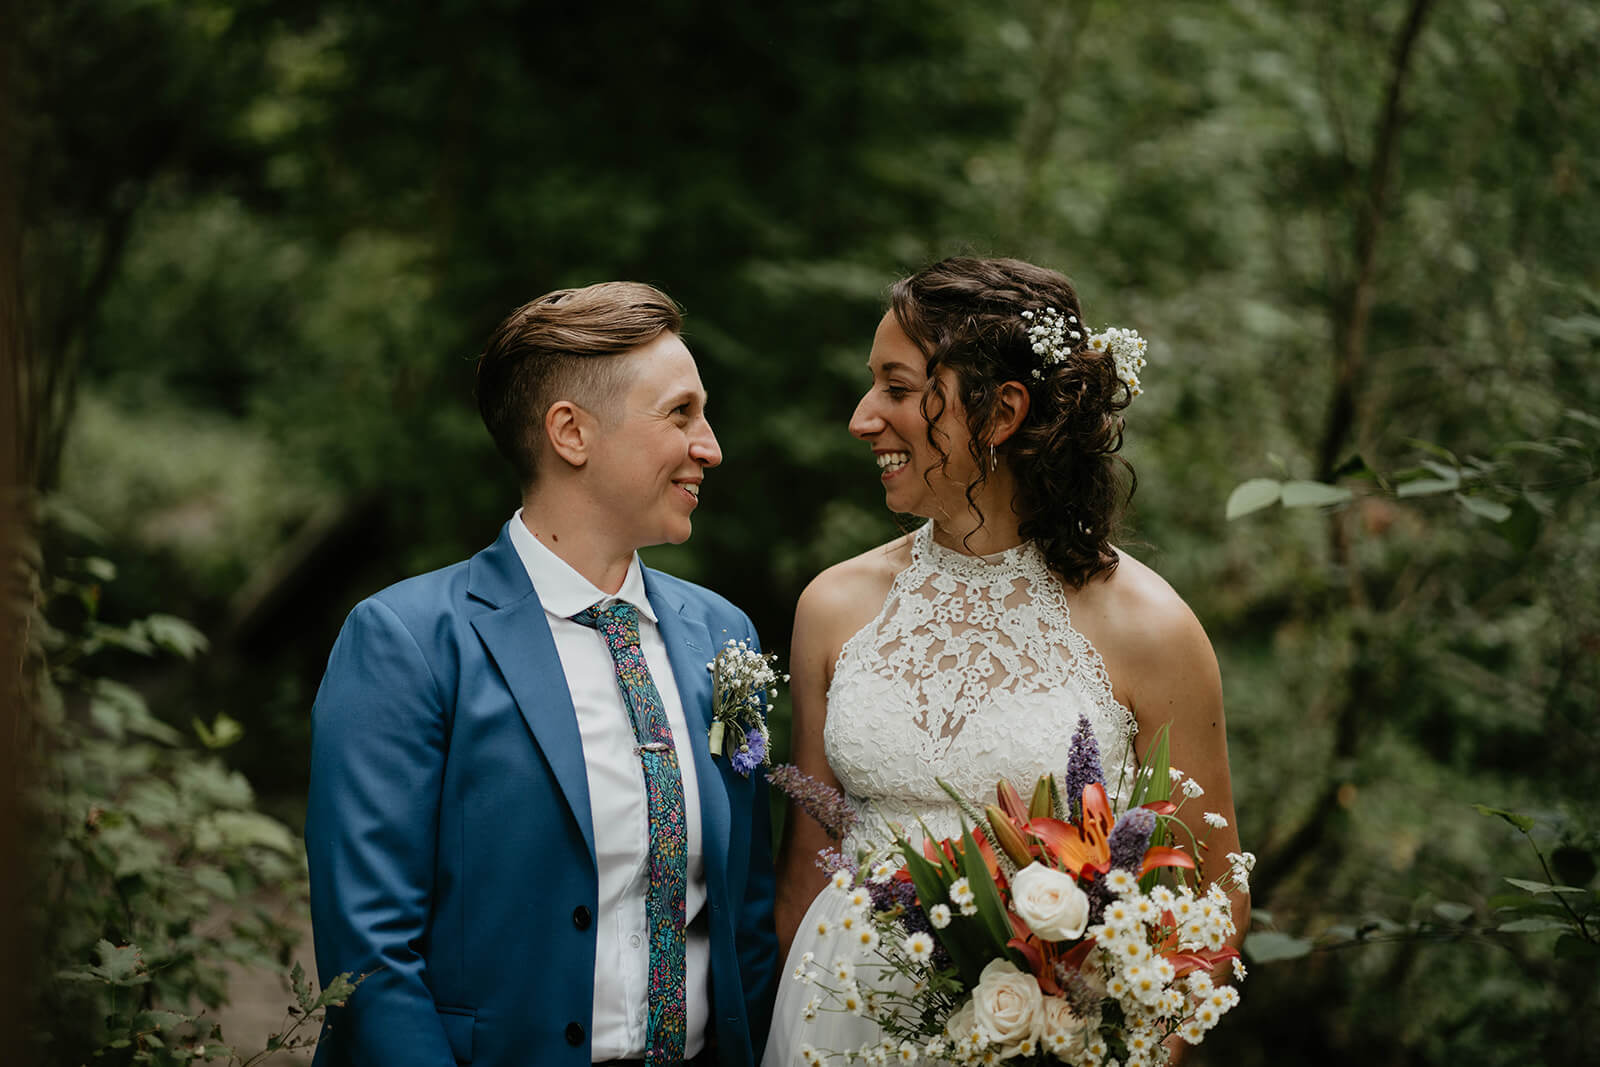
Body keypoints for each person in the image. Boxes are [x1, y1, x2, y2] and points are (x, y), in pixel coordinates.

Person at [762, 257, 1248, 1064]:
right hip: (835, 1024)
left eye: (896, 385)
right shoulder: (832, 609)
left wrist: (1116, 1044)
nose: (860, 417)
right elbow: (805, 874)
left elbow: (1215, 895)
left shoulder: (1152, 630)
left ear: (1001, 411)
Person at [305, 282, 779, 1067]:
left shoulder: (722, 636)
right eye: (681, 413)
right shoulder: (408, 643)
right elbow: (371, 956)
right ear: (570, 432)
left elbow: (744, 921)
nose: (711, 446)